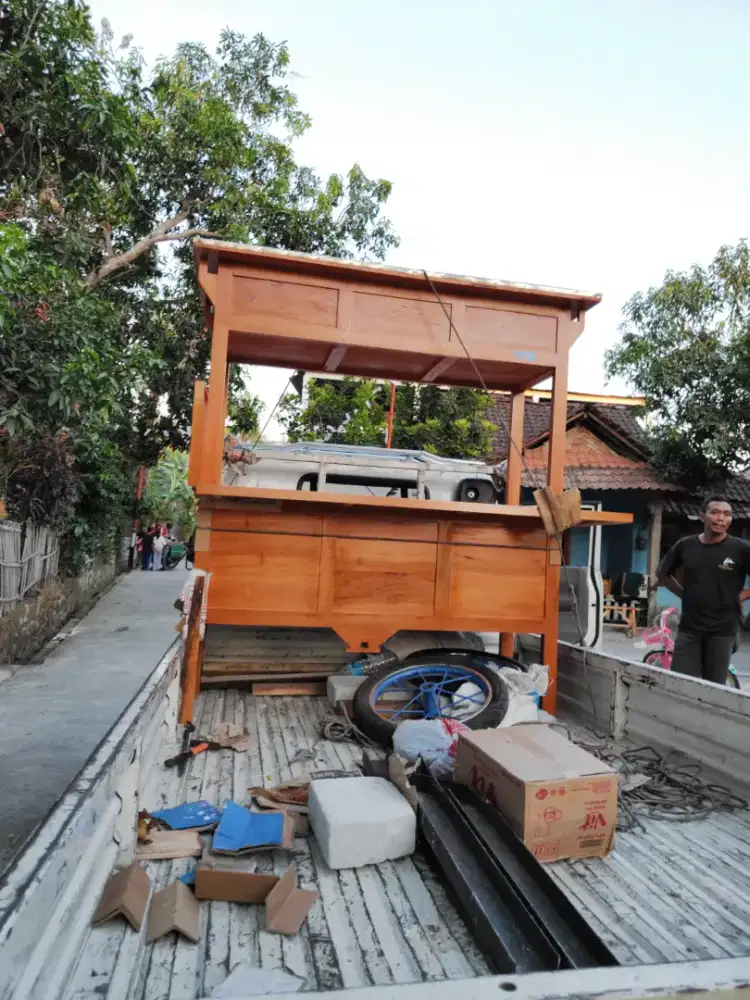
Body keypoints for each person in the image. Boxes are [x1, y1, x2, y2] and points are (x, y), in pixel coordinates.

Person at [657, 496, 750, 684]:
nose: (720, 518)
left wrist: (742, 595)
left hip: (723, 631)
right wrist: (685, 594)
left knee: (714, 687)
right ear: (702, 516)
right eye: (714, 512)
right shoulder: (685, 545)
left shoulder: (741, 549)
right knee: (680, 683)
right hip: (689, 628)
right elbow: (662, 574)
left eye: (726, 514)